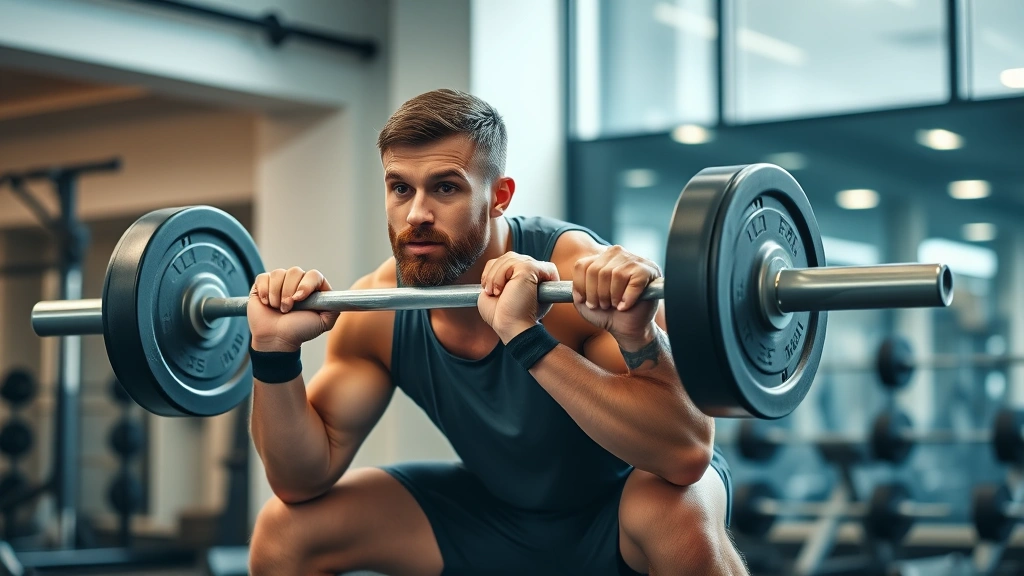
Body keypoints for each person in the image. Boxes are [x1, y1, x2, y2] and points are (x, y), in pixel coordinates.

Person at [246, 89, 747, 576]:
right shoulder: (379, 308)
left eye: (446, 187)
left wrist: (526, 337)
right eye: (401, 188)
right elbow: (299, 481)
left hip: (620, 509)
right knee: (285, 531)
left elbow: (684, 455)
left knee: (676, 513)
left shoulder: (580, 278)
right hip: (498, 516)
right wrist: (273, 353)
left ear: (499, 196)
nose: (417, 214)